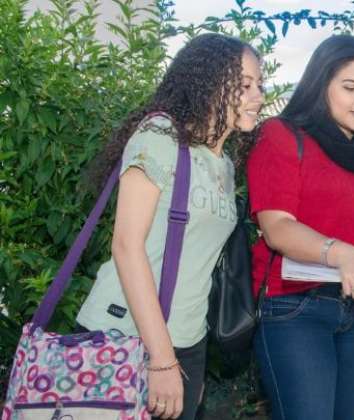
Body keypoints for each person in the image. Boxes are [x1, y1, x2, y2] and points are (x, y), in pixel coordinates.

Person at [76, 33, 264, 420]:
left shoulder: (224, 165)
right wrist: (161, 359)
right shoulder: (160, 135)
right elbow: (127, 246)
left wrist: (186, 360)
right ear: (208, 81)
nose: (257, 95)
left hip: (187, 341)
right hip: (127, 333)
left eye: (260, 85)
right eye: (244, 85)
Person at [246, 34, 354, 420]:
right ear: (320, 85)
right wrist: (344, 253)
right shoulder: (281, 135)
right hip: (294, 307)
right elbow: (278, 227)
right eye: (350, 88)